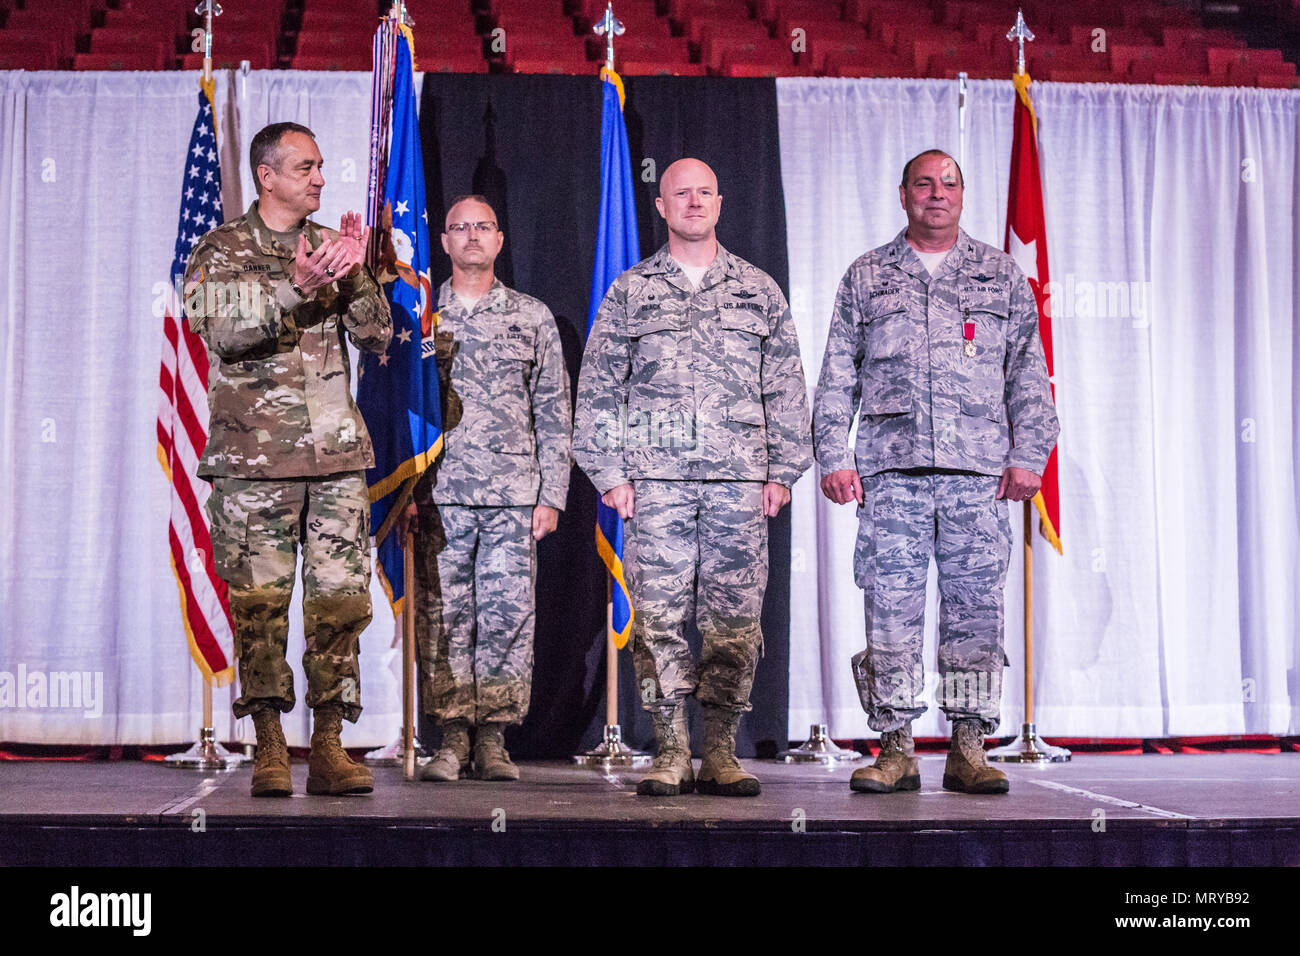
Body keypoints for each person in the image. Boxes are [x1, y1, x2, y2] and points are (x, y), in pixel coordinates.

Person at [812, 149, 1059, 795]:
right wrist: (833, 455)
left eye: (948, 183)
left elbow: (1028, 374)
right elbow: (838, 373)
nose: (936, 194)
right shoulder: (868, 276)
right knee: (890, 614)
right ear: (903, 196)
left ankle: (969, 747)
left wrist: (1029, 454)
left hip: (977, 476)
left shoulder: (999, 276)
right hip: (890, 476)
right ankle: (894, 747)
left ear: (963, 194)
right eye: (924, 184)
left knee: (975, 616)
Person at [574, 158, 812, 797]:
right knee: (657, 624)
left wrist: (783, 471)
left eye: (705, 191)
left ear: (721, 201)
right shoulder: (630, 291)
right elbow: (599, 389)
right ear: (661, 206)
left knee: (735, 622)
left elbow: (786, 388)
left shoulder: (757, 290)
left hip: (740, 485)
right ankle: (670, 747)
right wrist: (610, 475)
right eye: (681, 192)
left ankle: (722, 749)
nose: (694, 201)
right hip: (655, 488)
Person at [184, 121, 390, 797]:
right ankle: (270, 744)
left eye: (322, 167)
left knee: (339, 603)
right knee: (261, 605)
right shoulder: (220, 250)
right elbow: (220, 329)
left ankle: (328, 745)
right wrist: (295, 287)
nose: (321, 179)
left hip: (333, 462)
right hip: (252, 464)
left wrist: (359, 274)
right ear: (267, 176)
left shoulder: (333, 247)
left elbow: (378, 337)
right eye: (306, 168)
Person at [398, 195, 571, 783]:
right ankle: (450, 739)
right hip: (438, 497)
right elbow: (401, 413)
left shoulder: (532, 316)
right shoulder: (418, 315)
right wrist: (404, 496)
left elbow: (552, 410)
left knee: (505, 618)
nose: (471, 236)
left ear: (500, 241)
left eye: (483, 227)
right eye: (459, 228)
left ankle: (493, 738)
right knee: (445, 619)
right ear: (442, 242)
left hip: (511, 496)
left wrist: (552, 494)